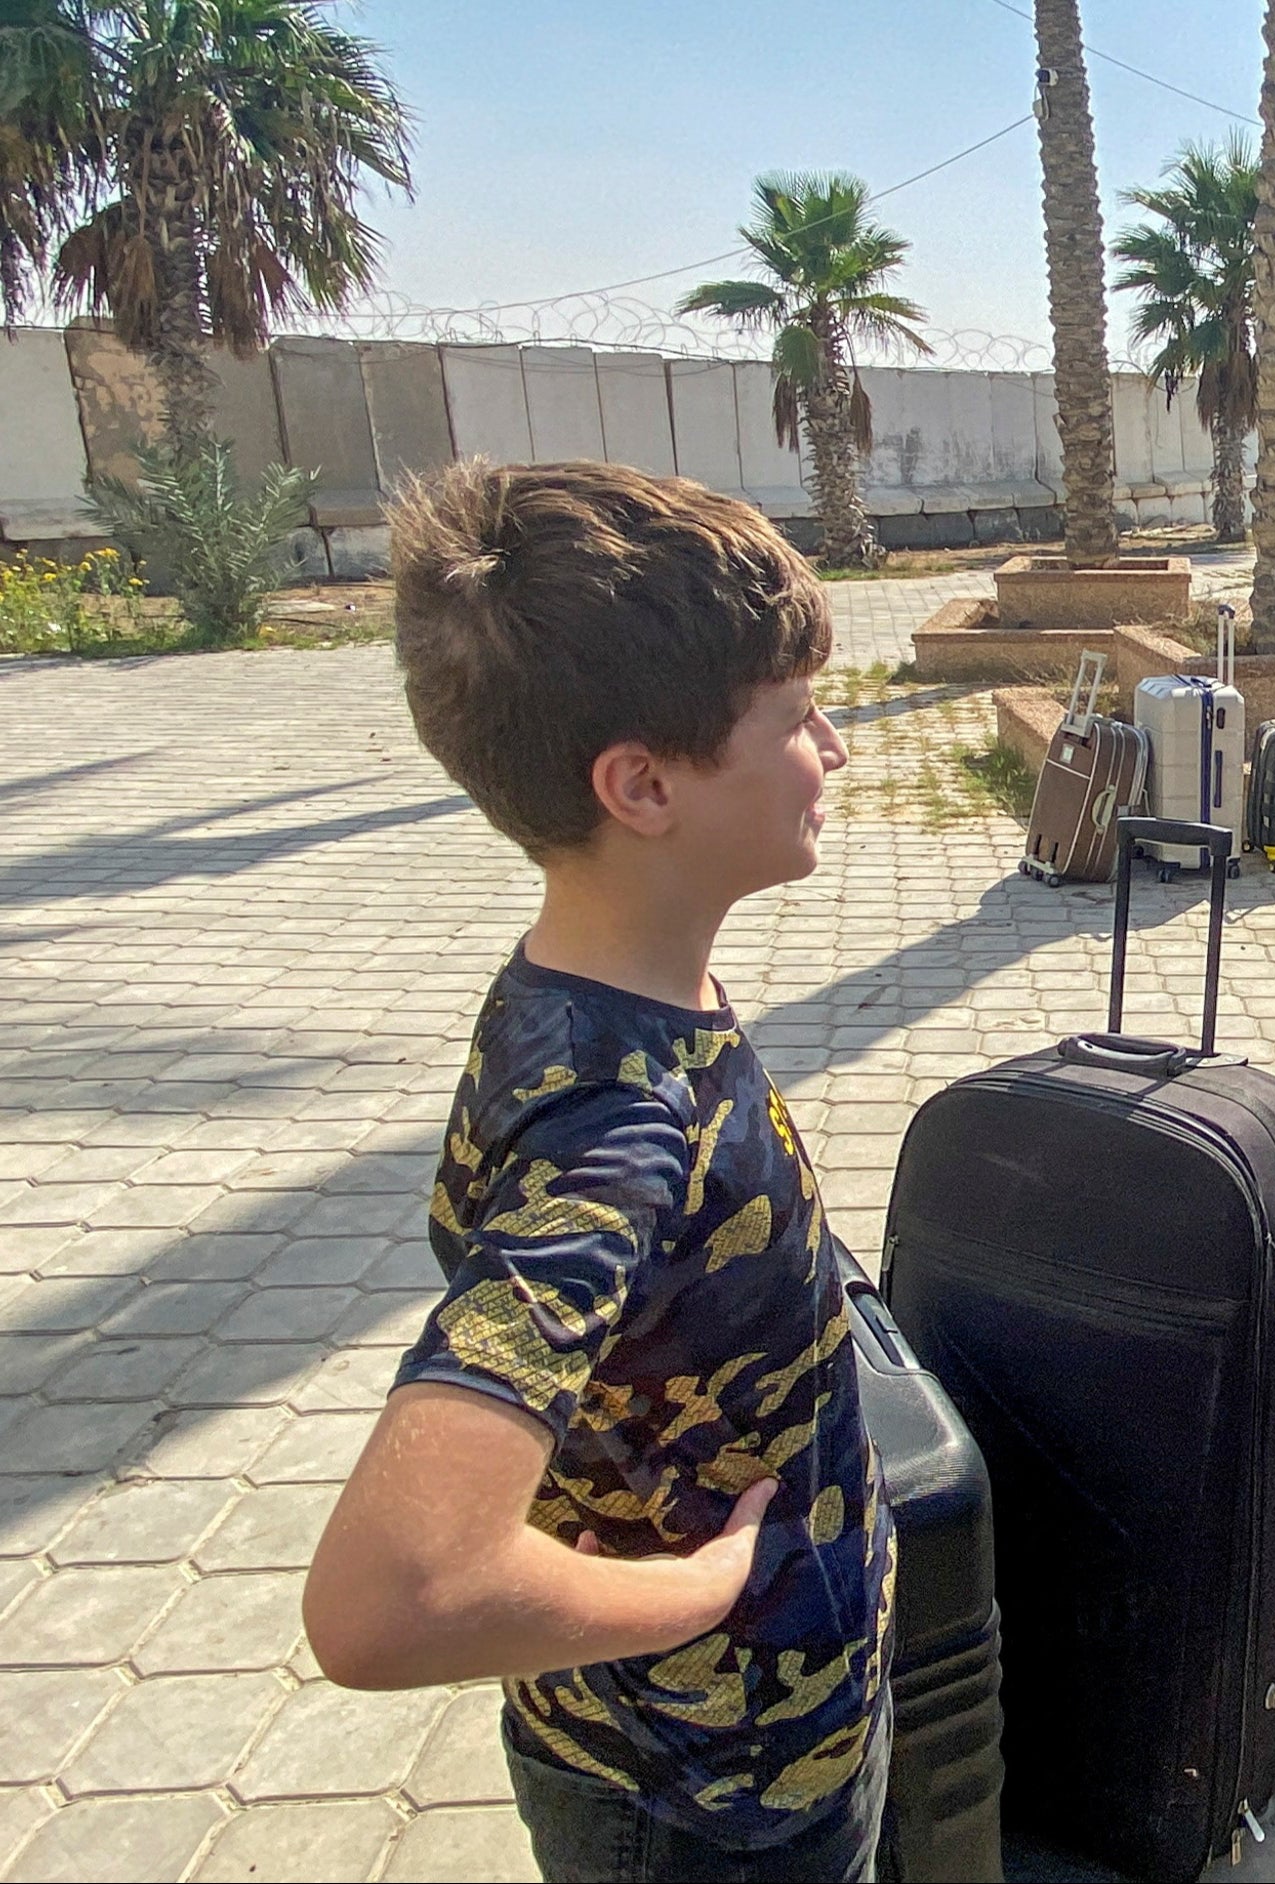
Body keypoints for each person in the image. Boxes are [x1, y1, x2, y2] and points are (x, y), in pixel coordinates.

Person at [303, 461, 894, 1884]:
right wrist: (691, 1593)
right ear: (641, 786)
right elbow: (390, 1598)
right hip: (708, 1806)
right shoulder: (611, 1131)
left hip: (754, 1748)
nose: (837, 750)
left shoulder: (600, 996)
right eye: (798, 718)